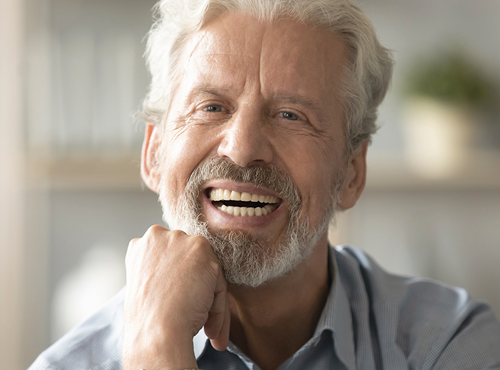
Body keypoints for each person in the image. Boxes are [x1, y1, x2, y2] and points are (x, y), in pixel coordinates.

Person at [29, 0, 500, 369]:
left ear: (352, 173)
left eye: (291, 115)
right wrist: (156, 344)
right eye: (211, 107)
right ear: (153, 154)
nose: (241, 148)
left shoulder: (452, 346)